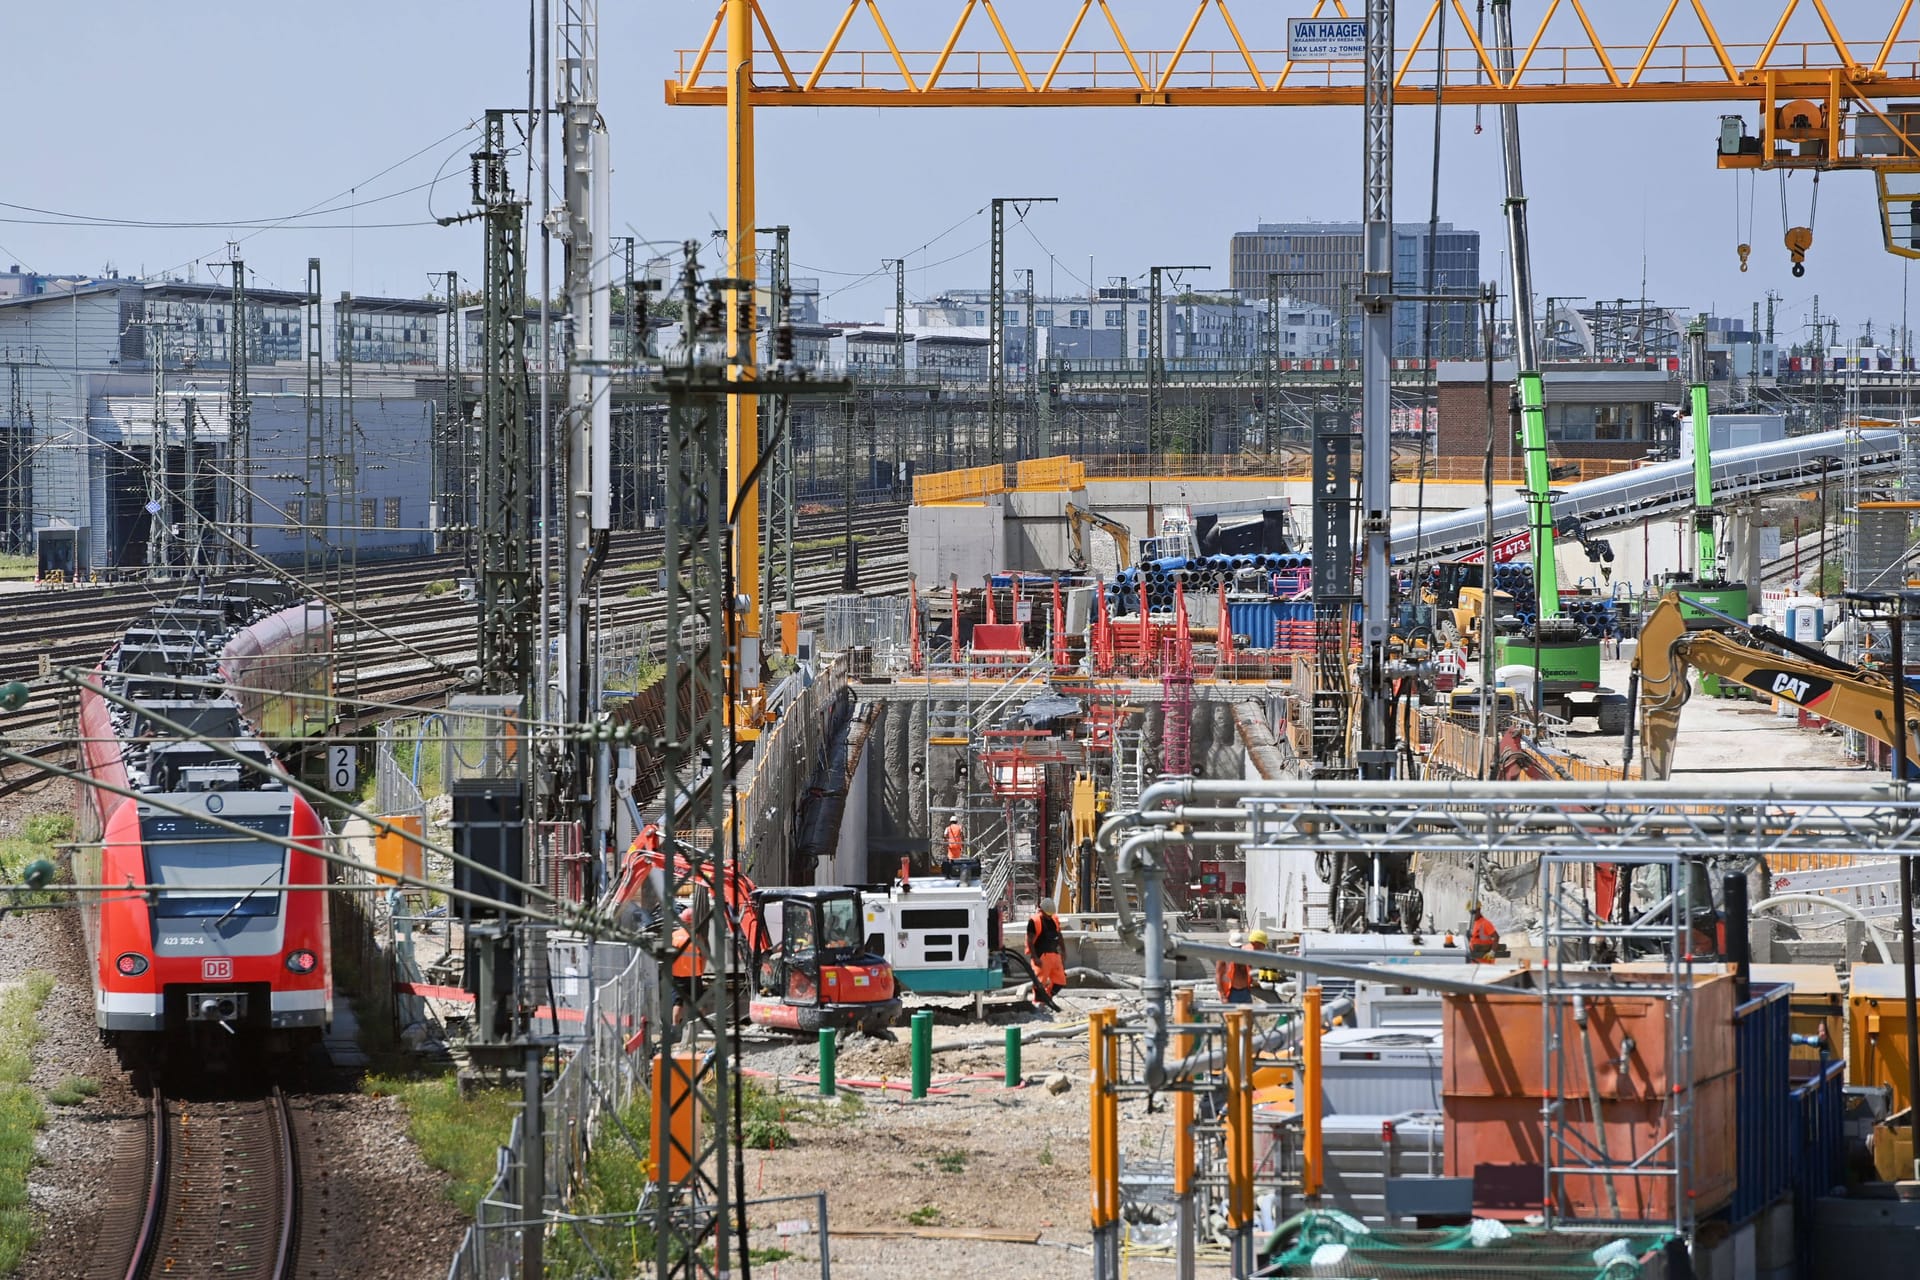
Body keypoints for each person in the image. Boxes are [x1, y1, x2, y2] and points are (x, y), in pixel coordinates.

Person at [1026, 897, 1068, 1008]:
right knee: (1039, 982)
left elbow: (1059, 936)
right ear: (1042, 910)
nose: (1049, 917)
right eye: (1047, 914)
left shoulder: (1054, 919)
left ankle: (1047, 997)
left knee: (1060, 981)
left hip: (1054, 954)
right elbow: (1030, 941)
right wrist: (1035, 957)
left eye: (1051, 914)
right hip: (1041, 956)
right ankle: (1038, 1003)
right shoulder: (1034, 921)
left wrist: (1063, 951)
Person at [1215, 929, 1252, 1005]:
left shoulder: (1245, 956)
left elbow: (1249, 972)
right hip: (1231, 993)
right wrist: (1222, 995)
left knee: (1246, 1016)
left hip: (1245, 992)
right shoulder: (1223, 957)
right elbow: (1218, 976)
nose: (1237, 948)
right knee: (1233, 1016)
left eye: (1238, 946)